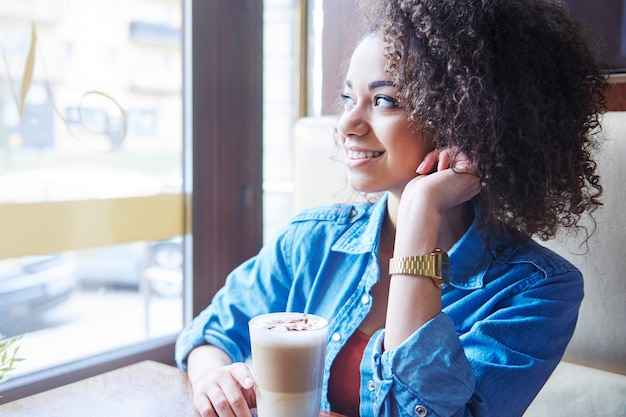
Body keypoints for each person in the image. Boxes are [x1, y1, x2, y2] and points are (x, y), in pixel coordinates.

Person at [175, 0, 608, 416]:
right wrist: (214, 379)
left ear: (466, 116)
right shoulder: (310, 240)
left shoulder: (533, 290)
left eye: (384, 100)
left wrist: (422, 208)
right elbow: (209, 334)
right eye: (349, 98)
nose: (347, 124)